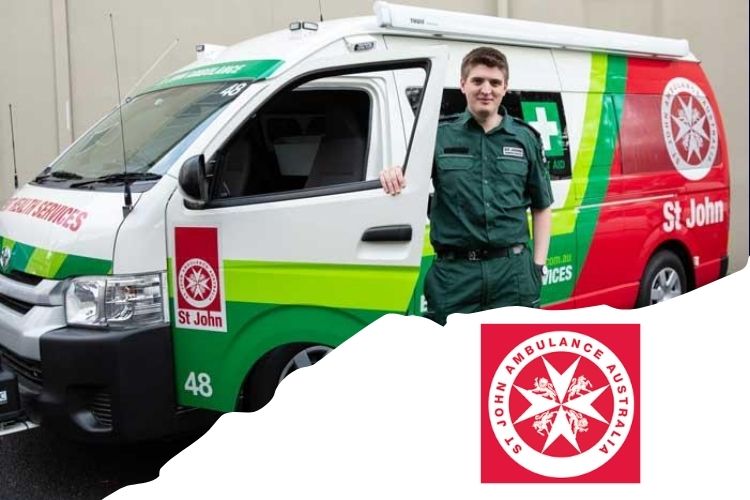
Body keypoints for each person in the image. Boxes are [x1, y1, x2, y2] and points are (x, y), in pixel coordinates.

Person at [380, 47, 553, 325]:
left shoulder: (525, 138)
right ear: (463, 84)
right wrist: (392, 174)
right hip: (455, 276)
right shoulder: (437, 136)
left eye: (495, 82)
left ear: (505, 87)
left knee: (510, 350)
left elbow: (542, 206)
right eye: (477, 81)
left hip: (513, 274)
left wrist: (538, 266)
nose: (486, 90)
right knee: (454, 351)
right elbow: (406, 182)